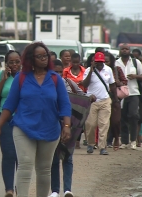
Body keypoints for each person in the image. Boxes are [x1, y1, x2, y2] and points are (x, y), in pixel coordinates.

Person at [0, 42, 72, 197]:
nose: (43, 58)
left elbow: (65, 105)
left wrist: (67, 126)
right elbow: (9, 104)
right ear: (30, 58)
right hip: (23, 127)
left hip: (50, 129)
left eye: (45, 55)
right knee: (25, 164)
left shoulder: (55, 79)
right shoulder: (21, 78)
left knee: (44, 169)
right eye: (39, 56)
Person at [50, 60, 95, 197]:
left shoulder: (69, 83)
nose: (57, 74)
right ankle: (55, 191)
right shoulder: (45, 85)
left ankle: (67, 190)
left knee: (68, 156)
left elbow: (82, 94)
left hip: (69, 125)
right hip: (51, 125)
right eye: (54, 71)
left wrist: (90, 97)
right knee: (54, 158)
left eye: (59, 71)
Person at [0, 50, 21, 197]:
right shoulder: (1, 75)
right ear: (6, 63)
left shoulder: (27, 76)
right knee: (9, 154)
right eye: (11, 62)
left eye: (17, 61)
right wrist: (4, 79)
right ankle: (9, 189)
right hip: (5, 118)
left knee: (22, 156)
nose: (14, 64)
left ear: (21, 62)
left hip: (23, 119)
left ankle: (20, 187)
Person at [83, 52, 117, 155]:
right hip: (91, 101)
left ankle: (102, 147)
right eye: (97, 62)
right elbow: (85, 84)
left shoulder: (108, 70)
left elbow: (112, 85)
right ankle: (90, 144)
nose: (99, 64)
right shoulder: (88, 70)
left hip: (105, 100)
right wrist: (91, 71)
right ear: (93, 61)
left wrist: (115, 99)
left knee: (104, 124)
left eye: (101, 62)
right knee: (90, 124)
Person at [115, 44, 142, 150]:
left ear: (130, 51)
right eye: (122, 49)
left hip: (133, 93)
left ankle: (133, 140)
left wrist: (135, 76)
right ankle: (124, 141)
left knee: (133, 116)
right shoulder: (116, 62)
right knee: (122, 118)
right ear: (120, 51)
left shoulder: (135, 62)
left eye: (126, 49)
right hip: (120, 94)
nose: (124, 51)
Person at [104, 52, 127, 150]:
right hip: (103, 97)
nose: (105, 63)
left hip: (114, 98)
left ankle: (117, 138)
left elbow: (125, 81)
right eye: (103, 61)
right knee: (105, 121)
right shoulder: (98, 70)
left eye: (107, 61)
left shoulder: (117, 70)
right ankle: (106, 141)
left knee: (116, 120)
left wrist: (119, 83)